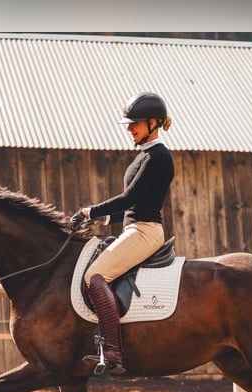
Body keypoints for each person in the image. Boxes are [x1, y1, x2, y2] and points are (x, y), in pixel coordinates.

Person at [70, 92, 175, 375]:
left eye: (135, 123)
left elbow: (130, 198)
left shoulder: (158, 156)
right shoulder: (145, 156)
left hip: (144, 232)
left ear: (153, 123)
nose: (130, 128)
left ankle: (113, 351)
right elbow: (138, 202)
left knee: (94, 276)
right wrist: (104, 219)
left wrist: (89, 211)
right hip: (135, 227)